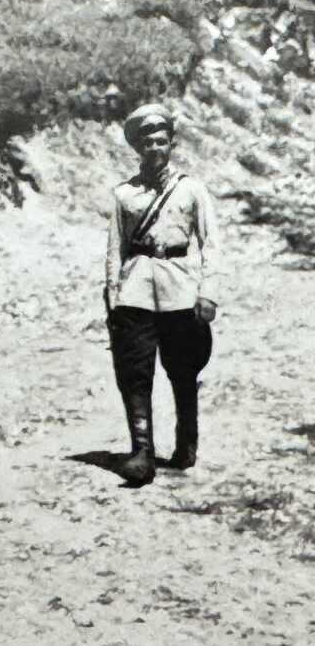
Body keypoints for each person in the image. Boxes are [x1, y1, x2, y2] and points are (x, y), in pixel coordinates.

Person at [104, 103, 220, 486]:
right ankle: (141, 452)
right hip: (135, 289)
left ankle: (186, 442)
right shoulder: (123, 195)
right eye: (147, 143)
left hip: (181, 290)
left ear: (172, 144)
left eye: (161, 141)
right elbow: (114, 250)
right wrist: (113, 301)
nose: (154, 148)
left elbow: (211, 245)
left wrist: (209, 292)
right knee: (135, 372)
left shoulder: (191, 189)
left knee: (183, 369)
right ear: (137, 148)